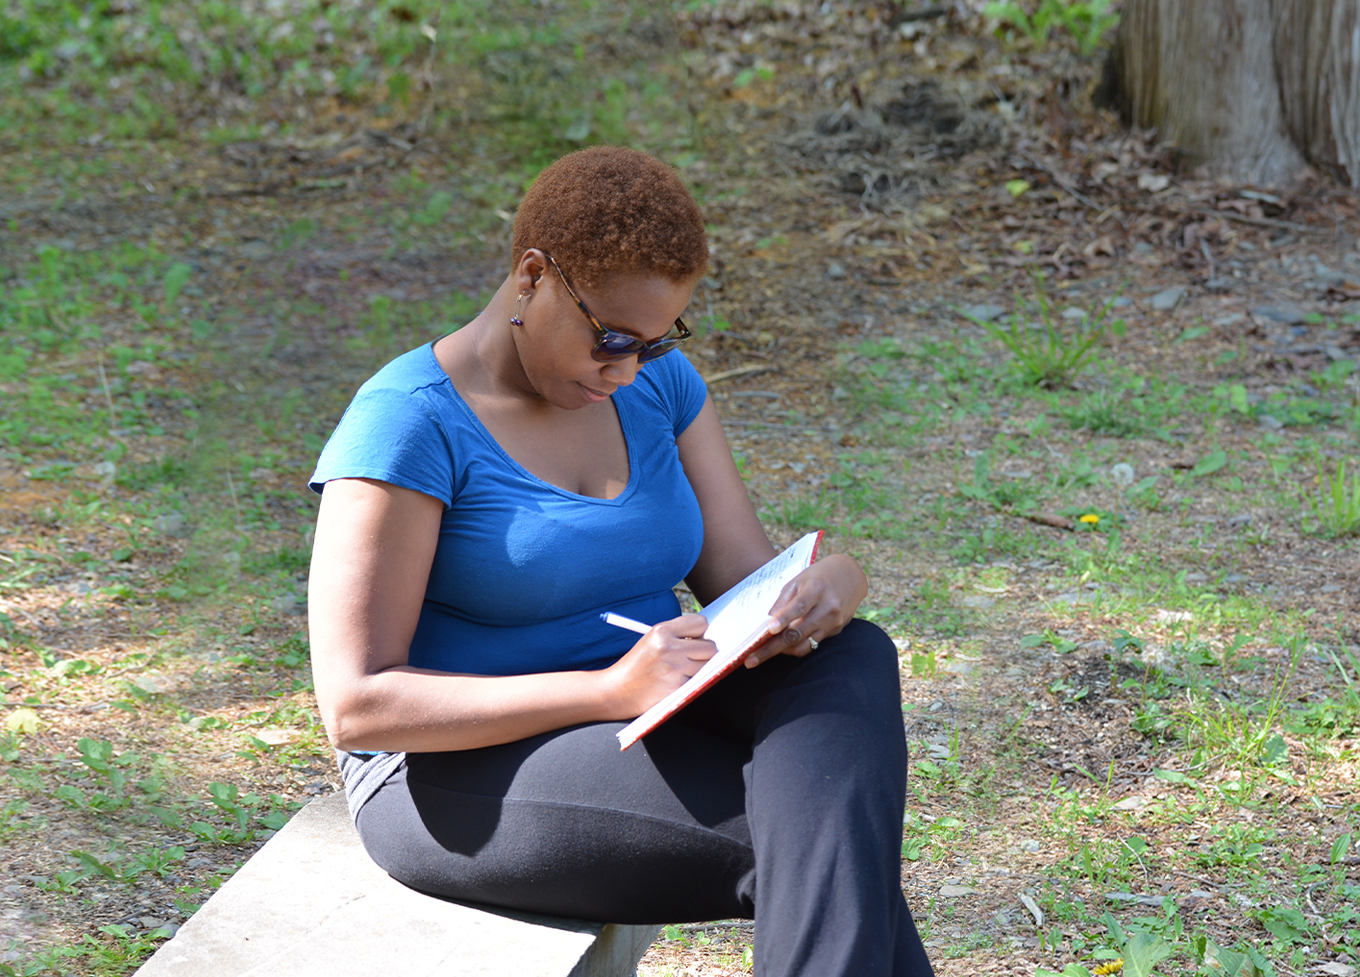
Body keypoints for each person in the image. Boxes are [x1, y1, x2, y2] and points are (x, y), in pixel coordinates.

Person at [303, 146, 933, 977]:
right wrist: (606, 690)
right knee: (826, 840)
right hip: (454, 771)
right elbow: (359, 706)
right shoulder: (408, 424)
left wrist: (836, 583)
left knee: (853, 656)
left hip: (648, 711)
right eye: (608, 338)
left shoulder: (656, 391)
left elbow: (746, 583)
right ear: (532, 276)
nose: (627, 368)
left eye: (655, 341)